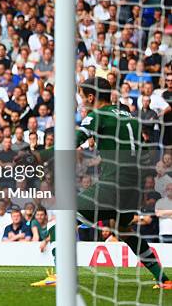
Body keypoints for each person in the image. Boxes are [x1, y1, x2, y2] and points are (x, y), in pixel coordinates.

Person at [32, 77, 171, 289]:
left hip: (113, 185)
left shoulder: (98, 115)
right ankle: (164, 279)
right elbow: (144, 154)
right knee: (124, 230)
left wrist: (39, 156)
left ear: (91, 96)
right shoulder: (130, 117)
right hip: (133, 189)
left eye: (81, 96)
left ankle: (62, 275)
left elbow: (73, 142)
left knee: (61, 218)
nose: (80, 102)